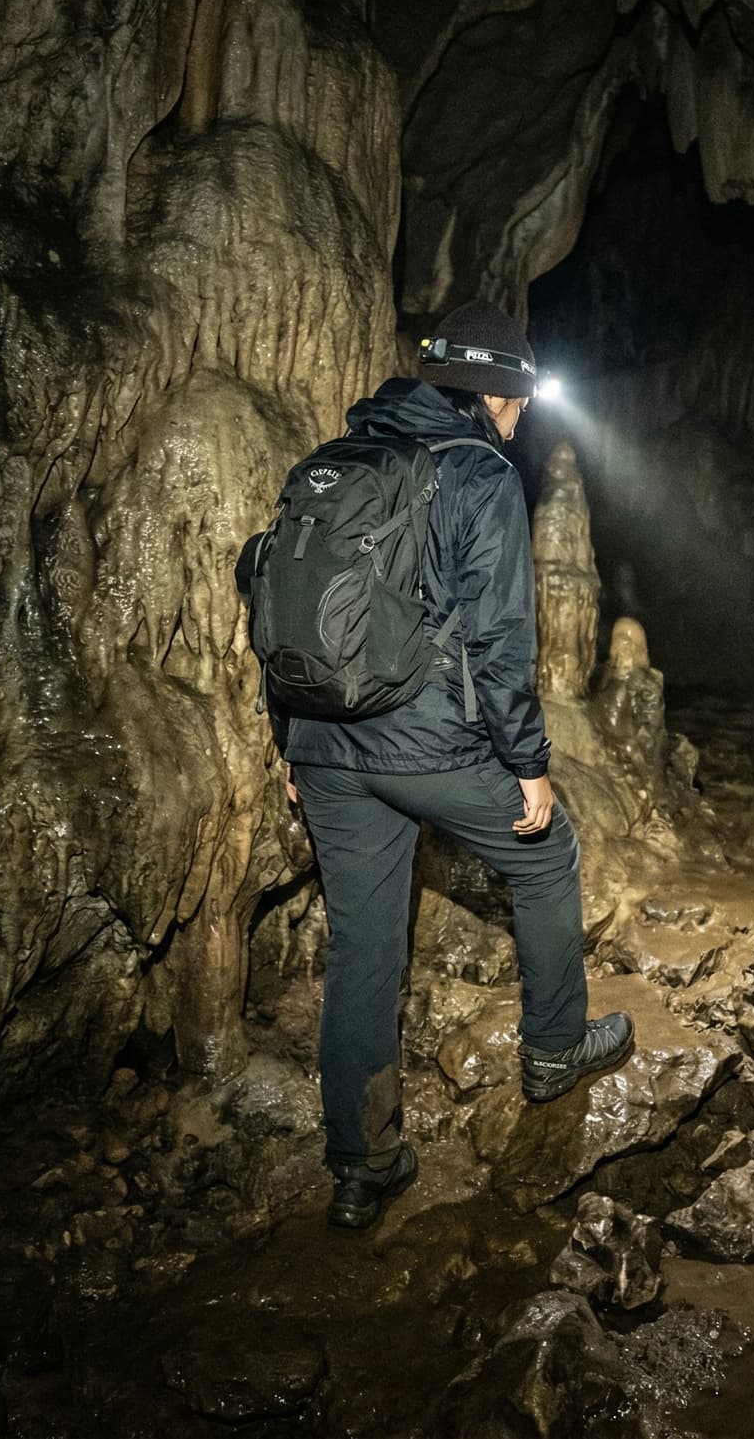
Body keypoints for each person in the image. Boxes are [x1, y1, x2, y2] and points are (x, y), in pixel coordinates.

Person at [274, 300, 634, 1230]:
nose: (523, 413)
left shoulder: (336, 459)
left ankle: (362, 1165)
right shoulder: (479, 473)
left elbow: (286, 604)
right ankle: (554, 1048)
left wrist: (292, 737)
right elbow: (501, 639)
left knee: (363, 947)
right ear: (497, 395)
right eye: (521, 397)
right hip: (425, 741)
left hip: (325, 743)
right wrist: (528, 763)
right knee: (547, 855)